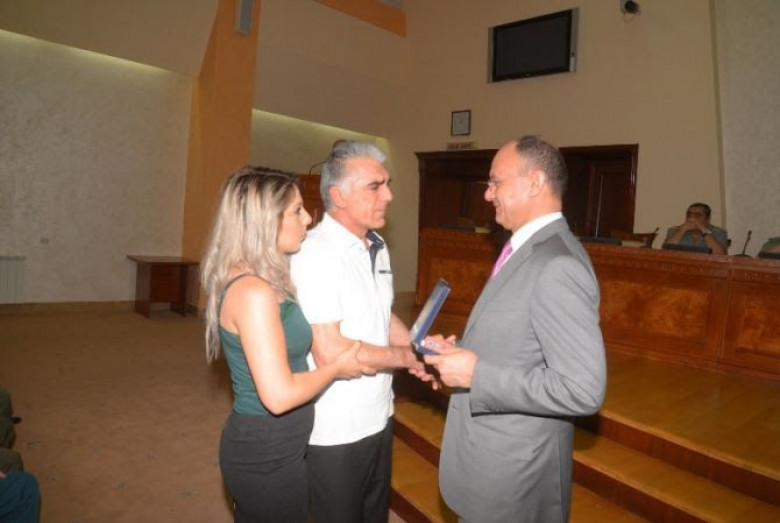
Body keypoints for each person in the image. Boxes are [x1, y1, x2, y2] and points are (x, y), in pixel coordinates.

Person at [423, 136, 607, 523]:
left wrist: (476, 373)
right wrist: (460, 353)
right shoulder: (526, 249)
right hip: (490, 460)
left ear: (534, 182)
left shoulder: (557, 264)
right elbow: (520, 341)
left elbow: (582, 390)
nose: (487, 194)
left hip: (514, 476)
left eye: (495, 182)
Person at [200, 167, 364, 523]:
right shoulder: (253, 292)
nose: (308, 218)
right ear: (264, 222)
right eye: (296, 210)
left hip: (279, 445)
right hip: (265, 454)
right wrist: (336, 368)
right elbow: (279, 396)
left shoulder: (261, 279)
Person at [290, 141, 431, 523]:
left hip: (379, 413)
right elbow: (331, 351)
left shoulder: (376, 245)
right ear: (338, 195)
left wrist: (418, 348)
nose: (389, 195)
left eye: (387, 184)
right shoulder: (315, 254)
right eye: (374, 186)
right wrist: (406, 358)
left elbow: (381, 312)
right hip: (336, 428)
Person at [664, 202, 728, 254]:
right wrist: (680, 231)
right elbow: (665, 252)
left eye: (697, 215)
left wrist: (704, 230)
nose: (692, 218)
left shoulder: (719, 232)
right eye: (689, 215)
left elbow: (721, 255)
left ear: (707, 219)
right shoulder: (674, 230)